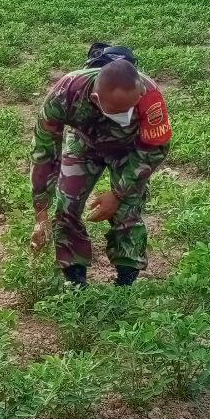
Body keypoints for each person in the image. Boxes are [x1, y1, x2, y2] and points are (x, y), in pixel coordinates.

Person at [29, 44, 172, 287]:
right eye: (117, 110)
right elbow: (44, 152)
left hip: (131, 150)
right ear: (96, 99)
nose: (124, 115)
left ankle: (126, 282)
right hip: (85, 143)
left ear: (138, 94)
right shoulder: (66, 93)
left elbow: (154, 149)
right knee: (66, 206)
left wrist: (117, 194)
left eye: (129, 108)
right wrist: (40, 212)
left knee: (128, 210)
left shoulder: (149, 95)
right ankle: (74, 279)